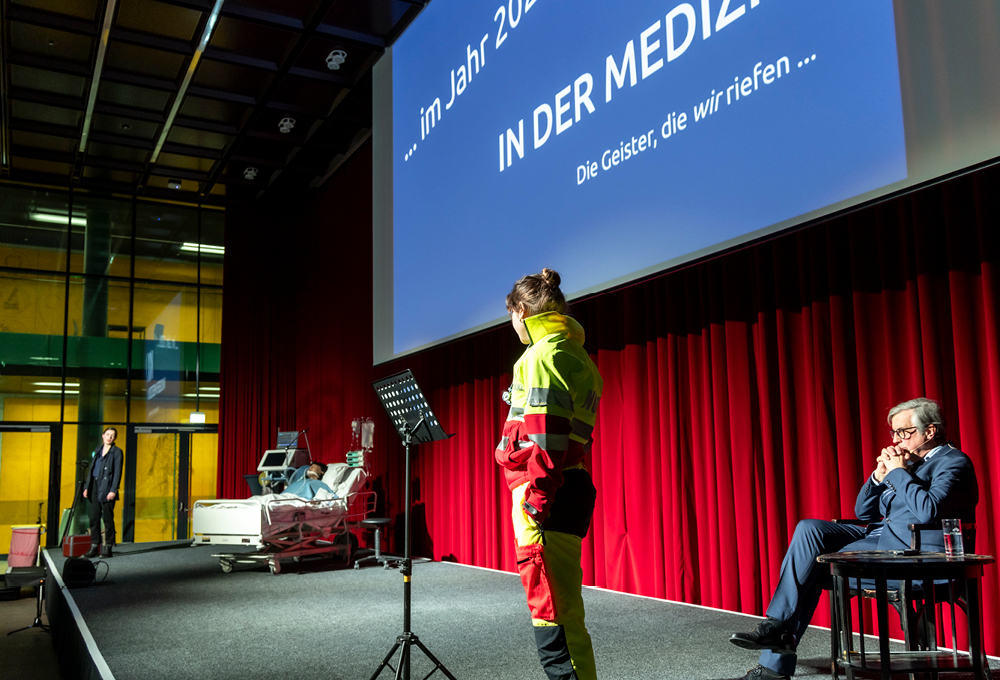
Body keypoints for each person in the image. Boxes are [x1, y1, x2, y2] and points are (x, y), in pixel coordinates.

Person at [729, 397, 979, 680]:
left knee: (811, 568)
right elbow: (863, 511)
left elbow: (927, 511)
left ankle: (774, 662)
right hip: (881, 539)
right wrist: (877, 477)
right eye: (894, 433)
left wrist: (898, 472)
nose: (897, 440)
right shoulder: (909, 462)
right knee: (810, 529)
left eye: (903, 432)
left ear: (930, 432)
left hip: (917, 555)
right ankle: (776, 626)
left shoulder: (953, 462)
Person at [494, 268, 603, 680]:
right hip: (568, 486)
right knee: (565, 614)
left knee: (552, 616)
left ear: (521, 311)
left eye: (511, 317)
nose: (512, 326)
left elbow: (547, 439)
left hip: (545, 495)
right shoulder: (574, 352)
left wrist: (537, 499)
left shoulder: (541, 356)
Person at [83, 427, 124, 558]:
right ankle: (95, 545)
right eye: (108, 434)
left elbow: (117, 472)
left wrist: (113, 490)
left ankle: (108, 547)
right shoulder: (97, 450)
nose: (110, 437)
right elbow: (91, 470)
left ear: (115, 438)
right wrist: (86, 487)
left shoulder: (117, 452)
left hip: (107, 487)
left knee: (107, 519)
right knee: (93, 518)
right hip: (94, 486)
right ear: (103, 435)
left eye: (113, 435)